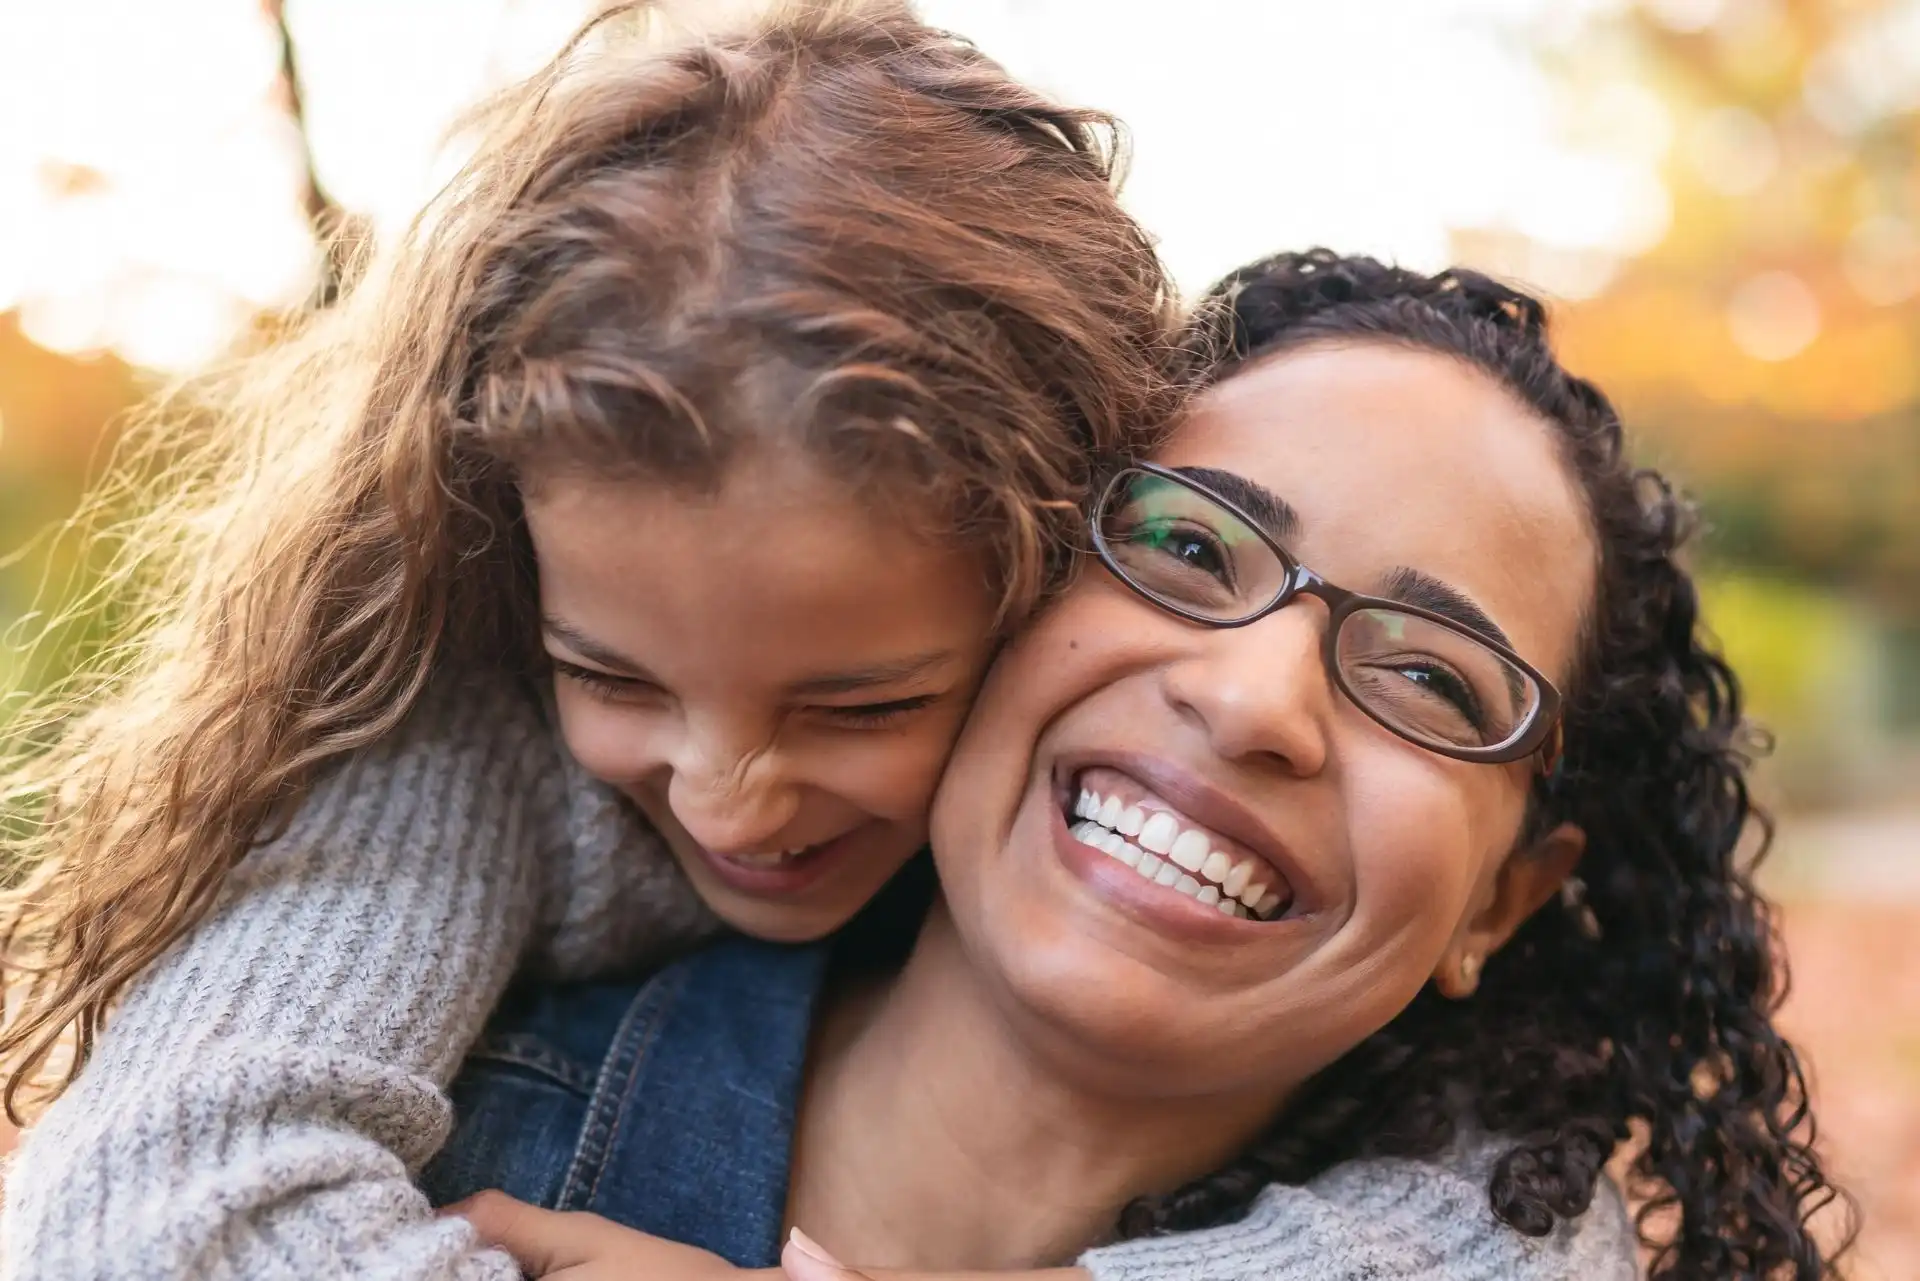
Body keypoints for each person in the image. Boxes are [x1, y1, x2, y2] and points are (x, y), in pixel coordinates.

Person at [0, 4, 1183, 1276]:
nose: (730, 805)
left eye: (859, 707)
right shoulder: (458, 752)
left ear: (1063, 574)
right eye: (610, 678)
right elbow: (147, 1225)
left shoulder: (1169, 781)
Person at [434, 253, 1850, 1281]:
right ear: (1004, 587)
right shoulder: (415, 1134)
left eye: (1429, 677)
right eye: (1186, 548)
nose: (1254, 702)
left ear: (1499, 904)